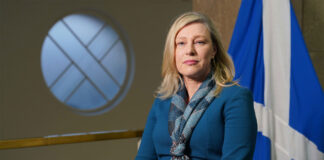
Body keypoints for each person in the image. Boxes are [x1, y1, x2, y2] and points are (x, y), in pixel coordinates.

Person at [135, 12, 257, 160]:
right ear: (173, 52)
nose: (189, 51)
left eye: (199, 42)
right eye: (181, 43)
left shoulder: (235, 98)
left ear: (213, 50)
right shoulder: (162, 101)